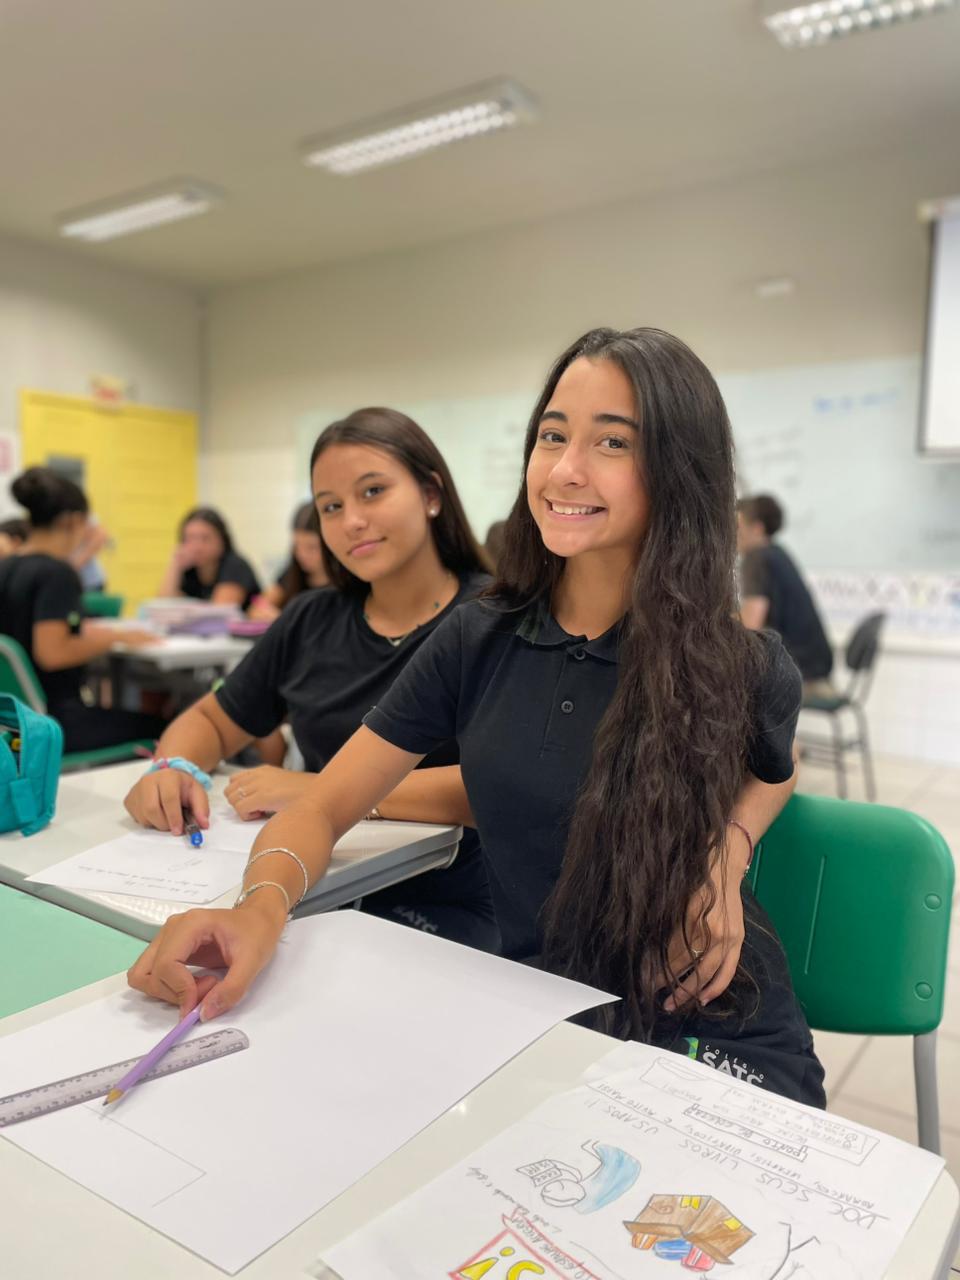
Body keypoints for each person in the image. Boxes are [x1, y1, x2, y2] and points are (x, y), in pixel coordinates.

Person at [129, 330, 825, 1107]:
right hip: (549, 1010)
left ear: (677, 470)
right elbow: (322, 805)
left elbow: (776, 765)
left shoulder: (738, 660)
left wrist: (726, 854)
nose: (565, 469)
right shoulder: (479, 635)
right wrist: (259, 908)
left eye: (613, 443)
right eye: (553, 436)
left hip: (715, 1023)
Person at [124, 407, 498, 950]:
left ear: (431, 494)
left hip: (453, 900)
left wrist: (317, 790)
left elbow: (494, 786)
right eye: (331, 506)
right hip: (315, 881)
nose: (352, 521)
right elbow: (213, 718)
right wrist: (172, 767)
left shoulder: (495, 618)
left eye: (373, 492)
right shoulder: (310, 618)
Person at [0, 468, 165, 752]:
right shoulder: (57, 573)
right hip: (54, 721)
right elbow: (52, 653)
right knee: (166, 726)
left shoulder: (7, 567)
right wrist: (116, 637)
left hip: (13, 721)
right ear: (73, 521)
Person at [737, 494, 834, 699]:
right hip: (816, 667)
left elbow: (750, 625)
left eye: (738, 526)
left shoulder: (756, 558)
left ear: (757, 528)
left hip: (799, 674)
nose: (732, 533)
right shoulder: (778, 553)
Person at [158, 507, 261, 611]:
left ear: (222, 540)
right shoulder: (189, 569)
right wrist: (175, 565)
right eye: (190, 538)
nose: (197, 547)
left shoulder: (236, 565)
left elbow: (219, 611)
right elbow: (163, 605)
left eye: (205, 538)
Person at [249, 502, 329, 621]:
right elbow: (256, 608)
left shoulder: (344, 584)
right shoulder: (292, 572)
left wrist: (286, 620)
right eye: (296, 546)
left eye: (312, 547)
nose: (302, 554)